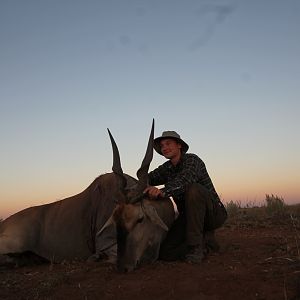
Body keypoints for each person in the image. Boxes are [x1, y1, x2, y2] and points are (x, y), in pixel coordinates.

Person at [144, 131, 227, 263]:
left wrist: (162, 191)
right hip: (188, 217)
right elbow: (146, 179)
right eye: (162, 145)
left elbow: (186, 180)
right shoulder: (167, 168)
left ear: (179, 145)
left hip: (213, 214)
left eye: (168, 143)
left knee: (193, 190)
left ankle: (196, 248)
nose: (164, 148)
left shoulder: (192, 160)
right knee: (165, 252)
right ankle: (205, 243)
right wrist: (134, 184)